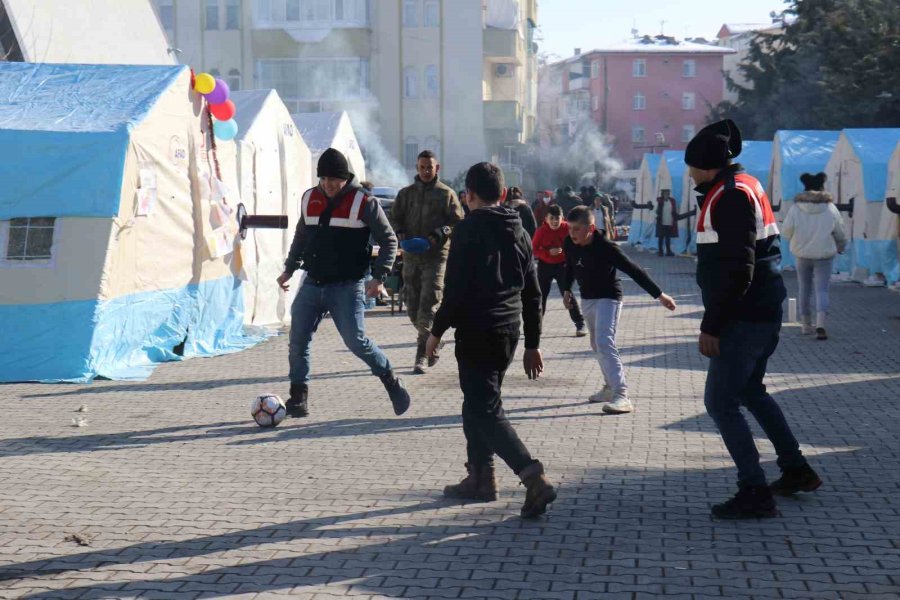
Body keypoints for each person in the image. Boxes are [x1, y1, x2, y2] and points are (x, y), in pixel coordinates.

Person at [686, 119, 822, 520]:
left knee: (720, 402)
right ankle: (795, 468)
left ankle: (754, 491)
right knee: (750, 391)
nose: (689, 172)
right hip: (762, 309)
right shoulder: (744, 184)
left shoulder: (730, 195)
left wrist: (712, 325)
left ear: (706, 165)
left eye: (692, 165)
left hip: (743, 317)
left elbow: (738, 268)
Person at [426, 162, 558, 519]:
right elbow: (533, 293)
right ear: (502, 194)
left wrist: (435, 334)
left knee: (486, 410)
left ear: (468, 194)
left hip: (477, 332)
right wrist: (532, 343)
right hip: (508, 333)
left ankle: (532, 476)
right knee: (477, 404)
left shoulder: (467, 230)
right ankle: (481, 478)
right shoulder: (520, 230)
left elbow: (455, 291)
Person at [277, 148, 411, 418]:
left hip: (347, 286)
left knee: (356, 342)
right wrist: (289, 269)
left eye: (334, 179)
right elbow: (301, 236)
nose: (328, 184)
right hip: (313, 283)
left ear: (345, 177)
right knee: (298, 340)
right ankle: (298, 397)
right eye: (324, 178)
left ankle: (390, 380)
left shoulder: (364, 202)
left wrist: (379, 277)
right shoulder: (309, 198)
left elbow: (389, 240)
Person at [562, 206, 677, 414]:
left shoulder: (606, 248)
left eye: (577, 228)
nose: (572, 233)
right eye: (570, 228)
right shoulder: (569, 242)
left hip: (609, 298)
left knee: (604, 342)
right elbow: (570, 265)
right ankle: (609, 388)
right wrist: (566, 289)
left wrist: (660, 295)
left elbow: (635, 270)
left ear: (591, 228)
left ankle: (622, 395)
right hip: (587, 299)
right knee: (596, 344)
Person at [390, 150, 464, 374]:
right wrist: (400, 233)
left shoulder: (446, 194)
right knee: (412, 306)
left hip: (436, 257)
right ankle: (434, 338)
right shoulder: (406, 194)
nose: (425, 171)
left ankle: (422, 353)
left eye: (429, 167)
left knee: (429, 303)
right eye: (422, 167)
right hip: (411, 256)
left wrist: (441, 233)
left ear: (436, 168)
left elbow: (458, 221)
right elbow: (394, 218)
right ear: (417, 167)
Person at [781, 172, 847, 340]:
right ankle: (820, 325)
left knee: (804, 288)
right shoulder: (830, 208)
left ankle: (805, 325)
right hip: (824, 254)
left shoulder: (796, 208)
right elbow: (839, 231)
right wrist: (841, 246)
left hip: (802, 254)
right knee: (822, 289)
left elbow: (786, 231)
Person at [532, 205, 587, 336]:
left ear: (562, 218)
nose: (555, 221)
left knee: (567, 294)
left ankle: (580, 324)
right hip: (545, 266)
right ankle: (536, 326)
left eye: (557, 218)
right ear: (546, 218)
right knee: (541, 296)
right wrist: (547, 253)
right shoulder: (541, 231)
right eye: (551, 218)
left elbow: (579, 243)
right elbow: (534, 250)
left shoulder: (568, 228)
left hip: (563, 265)